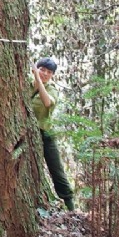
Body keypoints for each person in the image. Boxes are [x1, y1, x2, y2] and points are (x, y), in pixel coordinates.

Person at [31, 57, 75, 211]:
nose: (44, 73)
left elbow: (47, 102)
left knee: (57, 171)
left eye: (49, 72)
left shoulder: (52, 89)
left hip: (45, 135)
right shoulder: (26, 84)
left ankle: (70, 207)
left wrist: (39, 81)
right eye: (42, 69)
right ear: (36, 68)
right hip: (27, 134)